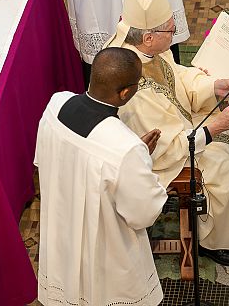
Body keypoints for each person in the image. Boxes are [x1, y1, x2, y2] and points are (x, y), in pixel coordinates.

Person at [106, 0, 229, 267]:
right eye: (170, 30)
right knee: (221, 159)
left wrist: (214, 85)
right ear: (149, 36)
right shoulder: (128, 77)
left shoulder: (145, 48)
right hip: (159, 151)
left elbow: (177, 77)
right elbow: (163, 143)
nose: (175, 32)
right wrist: (215, 128)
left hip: (174, 125)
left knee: (213, 117)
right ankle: (217, 239)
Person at [35, 47, 168, 305]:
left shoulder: (56, 104)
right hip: (106, 254)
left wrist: (129, 155)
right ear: (125, 93)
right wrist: (137, 160)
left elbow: (49, 158)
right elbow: (145, 214)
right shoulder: (126, 149)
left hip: (62, 232)